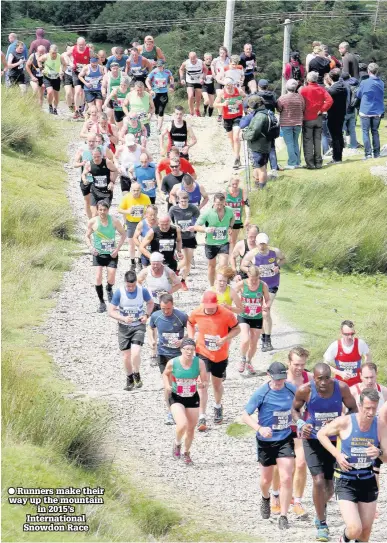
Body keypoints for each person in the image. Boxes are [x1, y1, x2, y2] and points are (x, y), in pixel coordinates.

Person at [292, 362, 358, 542]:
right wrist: (301, 424)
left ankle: (320, 506)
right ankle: (321, 523)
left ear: (331, 377)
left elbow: (354, 409)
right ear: (313, 377)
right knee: (318, 481)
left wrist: (344, 422)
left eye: (326, 378)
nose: (323, 382)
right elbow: (295, 409)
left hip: (335, 442)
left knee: (329, 487)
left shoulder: (342, 388)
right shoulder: (305, 390)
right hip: (312, 439)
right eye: (319, 378)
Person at [317, 388, 385, 543]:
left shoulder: (380, 425)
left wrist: (379, 452)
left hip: (367, 479)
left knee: (365, 532)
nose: (370, 412)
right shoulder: (345, 422)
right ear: (360, 406)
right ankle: (343, 540)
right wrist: (337, 454)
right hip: (345, 479)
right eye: (367, 408)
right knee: (355, 529)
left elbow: (386, 455)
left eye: (374, 408)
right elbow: (322, 434)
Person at [242, 361, 297, 530]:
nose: (280, 382)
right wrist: (259, 428)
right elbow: (245, 415)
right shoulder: (262, 393)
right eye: (277, 379)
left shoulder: (291, 389)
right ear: (269, 376)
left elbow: (299, 407)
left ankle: (284, 515)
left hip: (285, 438)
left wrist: (298, 419)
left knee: (286, 477)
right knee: (266, 480)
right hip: (266, 441)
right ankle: (265, 498)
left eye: (282, 378)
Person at [188, 291, 240, 430]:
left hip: (220, 355)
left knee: (216, 384)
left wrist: (224, 339)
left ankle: (217, 406)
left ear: (217, 303)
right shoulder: (197, 312)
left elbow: (237, 329)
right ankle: (202, 416)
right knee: (202, 384)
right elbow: (190, 322)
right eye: (207, 306)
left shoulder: (226, 314)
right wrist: (191, 337)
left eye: (212, 306)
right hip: (202, 352)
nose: (209, 309)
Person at [271, 347, 313, 518]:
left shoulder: (308, 378)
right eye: (296, 364)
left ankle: (297, 501)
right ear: (289, 363)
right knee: (278, 466)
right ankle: (275, 495)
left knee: (301, 463)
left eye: (302, 364)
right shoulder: (281, 379)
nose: (299, 368)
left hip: (301, 427)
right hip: (282, 427)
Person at [163, 338, 208, 464]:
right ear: (181, 349)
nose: (189, 352)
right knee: (182, 424)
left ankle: (186, 453)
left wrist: (202, 384)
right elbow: (165, 374)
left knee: (191, 428)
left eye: (192, 350)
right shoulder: (173, 362)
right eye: (187, 349)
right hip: (177, 396)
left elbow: (204, 380)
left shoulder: (199, 363)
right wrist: (167, 385)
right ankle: (177, 443)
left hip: (192, 397)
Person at [109, 270, 154, 390]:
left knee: (136, 352)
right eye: (129, 286)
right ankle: (129, 378)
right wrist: (122, 318)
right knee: (126, 356)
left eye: (133, 285)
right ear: (125, 283)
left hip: (138, 325)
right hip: (124, 327)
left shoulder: (142, 290)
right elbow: (111, 311)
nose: (131, 288)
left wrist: (146, 315)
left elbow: (150, 303)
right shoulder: (119, 292)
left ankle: (137, 373)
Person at [240, 232, 285, 352]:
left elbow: (283, 259)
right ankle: (263, 338)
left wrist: (278, 267)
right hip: (258, 286)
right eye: (260, 244)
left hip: (272, 284)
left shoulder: (275, 252)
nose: (262, 246)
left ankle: (267, 340)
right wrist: (252, 270)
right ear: (256, 243)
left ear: (267, 243)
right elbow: (242, 266)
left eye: (264, 244)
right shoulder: (252, 254)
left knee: (266, 311)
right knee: (260, 312)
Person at [150, 294, 189, 425]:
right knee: (168, 386)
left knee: (179, 384)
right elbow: (151, 328)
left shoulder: (181, 316)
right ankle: (170, 412)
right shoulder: (156, 316)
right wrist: (152, 340)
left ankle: (182, 408)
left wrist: (182, 340)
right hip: (163, 354)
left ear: (173, 305)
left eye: (168, 308)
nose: (166, 311)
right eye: (163, 308)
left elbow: (191, 330)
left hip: (178, 355)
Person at [137, 252, 182, 365]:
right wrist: (144, 292)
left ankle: (167, 350)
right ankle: (153, 352)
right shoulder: (146, 271)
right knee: (151, 326)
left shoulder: (168, 271)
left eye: (157, 264)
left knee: (166, 325)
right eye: (153, 264)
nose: (155, 266)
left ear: (161, 263)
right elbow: (138, 281)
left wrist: (168, 292)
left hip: (165, 302)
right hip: (152, 302)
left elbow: (179, 284)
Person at [85, 200, 126, 312]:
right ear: (97, 210)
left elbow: (123, 234)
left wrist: (117, 249)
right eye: (100, 210)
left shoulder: (114, 221)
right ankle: (102, 302)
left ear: (108, 210)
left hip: (111, 253)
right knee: (98, 277)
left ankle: (109, 288)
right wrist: (91, 248)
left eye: (105, 210)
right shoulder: (93, 222)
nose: (102, 212)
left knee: (111, 276)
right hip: (98, 253)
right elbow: (87, 236)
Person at [190, 193, 235, 286]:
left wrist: (230, 226)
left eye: (221, 204)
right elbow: (196, 226)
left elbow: (233, 218)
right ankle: (212, 286)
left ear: (224, 203)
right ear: (214, 202)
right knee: (211, 266)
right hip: (211, 243)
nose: (219, 206)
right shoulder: (207, 212)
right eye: (217, 204)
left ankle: (221, 284)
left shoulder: (229, 210)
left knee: (223, 265)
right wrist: (206, 229)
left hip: (223, 242)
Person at [234, 266, 270, 375]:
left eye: (256, 279)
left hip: (257, 317)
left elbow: (267, 300)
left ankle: (249, 362)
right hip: (243, 315)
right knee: (245, 339)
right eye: (252, 278)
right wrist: (238, 305)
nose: (254, 281)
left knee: (254, 343)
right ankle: (242, 359)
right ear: (248, 275)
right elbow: (232, 295)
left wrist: (266, 306)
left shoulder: (263, 285)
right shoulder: (242, 284)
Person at [299, 71, 333, 169]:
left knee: (308, 141)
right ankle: (318, 163)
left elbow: (300, 103)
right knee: (317, 141)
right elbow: (330, 100)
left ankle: (310, 164)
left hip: (307, 118)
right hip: (318, 117)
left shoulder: (303, 90)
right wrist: (322, 109)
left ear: (308, 79)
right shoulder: (321, 89)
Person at [324, 319, 371, 387]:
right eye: (347, 334)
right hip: (340, 385)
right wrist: (340, 373)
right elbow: (325, 364)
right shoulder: (335, 346)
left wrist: (365, 369)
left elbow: (368, 355)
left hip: (358, 384)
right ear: (341, 333)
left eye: (352, 334)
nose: (350, 337)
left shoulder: (360, 344)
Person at [169, 191, 200, 290]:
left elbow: (198, 217)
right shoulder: (174, 209)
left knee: (188, 262)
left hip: (190, 237)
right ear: (178, 200)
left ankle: (180, 276)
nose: (183, 203)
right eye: (182, 201)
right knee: (184, 260)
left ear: (188, 200)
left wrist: (194, 225)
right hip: (180, 238)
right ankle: (177, 275)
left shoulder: (193, 208)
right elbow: (169, 221)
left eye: (185, 201)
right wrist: (175, 226)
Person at [118, 182, 151, 271]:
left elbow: (150, 208)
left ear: (141, 190)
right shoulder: (126, 197)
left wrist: (146, 215)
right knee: (131, 243)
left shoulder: (145, 197)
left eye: (137, 190)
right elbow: (119, 209)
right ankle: (132, 262)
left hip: (142, 222)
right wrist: (128, 211)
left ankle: (140, 261)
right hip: (131, 222)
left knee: (142, 243)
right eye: (134, 190)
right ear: (130, 190)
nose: (136, 192)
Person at [214, 78, 245, 169]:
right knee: (231, 139)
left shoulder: (238, 90)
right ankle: (237, 156)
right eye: (228, 86)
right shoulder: (222, 93)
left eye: (231, 85)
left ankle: (236, 159)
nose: (230, 87)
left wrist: (241, 101)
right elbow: (215, 104)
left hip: (237, 116)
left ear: (233, 85)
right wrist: (223, 105)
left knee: (236, 137)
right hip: (227, 118)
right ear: (224, 86)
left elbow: (245, 96)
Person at [241, 95, 271, 188]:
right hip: (265, 145)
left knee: (261, 169)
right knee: (260, 167)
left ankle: (261, 189)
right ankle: (258, 186)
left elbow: (254, 132)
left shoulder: (259, 116)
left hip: (258, 146)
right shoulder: (267, 112)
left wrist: (243, 135)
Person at [356, 63, 385, 160]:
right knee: (375, 131)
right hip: (377, 110)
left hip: (365, 110)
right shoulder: (381, 83)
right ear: (377, 71)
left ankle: (368, 154)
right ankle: (376, 154)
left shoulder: (364, 82)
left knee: (365, 132)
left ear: (368, 71)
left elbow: (358, 94)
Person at [276, 79, 305, 169]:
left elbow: (279, 109)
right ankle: (297, 161)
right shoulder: (300, 97)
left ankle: (292, 162)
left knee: (289, 143)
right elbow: (303, 108)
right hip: (298, 123)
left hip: (286, 123)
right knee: (295, 142)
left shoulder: (282, 98)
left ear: (286, 87)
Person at [82, 147, 117, 215]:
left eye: (98, 156)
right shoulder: (89, 164)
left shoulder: (107, 162)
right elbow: (83, 174)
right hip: (95, 191)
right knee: (94, 214)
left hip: (106, 192)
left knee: (103, 214)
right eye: (95, 157)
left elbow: (115, 171)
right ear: (92, 156)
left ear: (101, 155)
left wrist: (112, 182)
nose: (96, 159)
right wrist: (84, 180)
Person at [74, 133, 101, 218]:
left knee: (97, 200)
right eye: (89, 141)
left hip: (97, 179)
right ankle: (90, 221)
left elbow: (107, 160)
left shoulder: (99, 149)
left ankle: (97, 218)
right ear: (86, 141)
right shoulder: (82, 149)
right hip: (86, 178)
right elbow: (75, 164)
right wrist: (82, 163)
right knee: (87, 200)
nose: (91, 143)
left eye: (93, 141)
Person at [325, 68, 348, 164]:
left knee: (335, 137)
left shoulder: (331, 90)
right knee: (339, 135)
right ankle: (339, 155)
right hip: (341, 113)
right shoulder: (343, 87)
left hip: (333, 114)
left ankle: (336, 157)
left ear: (330, 78)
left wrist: (327, 86)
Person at [223, 175, 250, 254]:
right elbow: (220, 205)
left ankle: (231, 258)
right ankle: (224, 256)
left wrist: (247, 218)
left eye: (236, 184)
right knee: (225, 239)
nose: (235, 186)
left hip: (237, 219)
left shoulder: (242, 192)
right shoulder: (225, 192)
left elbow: (247, 205)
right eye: (233, 184)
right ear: (230, 184)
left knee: (233, 240)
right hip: (226, 218)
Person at [146, 59, 174, 131]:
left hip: (164, 93)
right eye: (158, 66)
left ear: (163, 65)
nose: (159, 68)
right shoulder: (154, 72)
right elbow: (147, 80)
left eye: (161, 66)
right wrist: (150, 89)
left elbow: (171, 78)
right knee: (155, 110)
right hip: (155, 93)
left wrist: (171, 86)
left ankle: (159, 128)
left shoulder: (167, 72)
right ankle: (156, 121)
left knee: (161, 110)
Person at [39, 44, 66, 114]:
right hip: (47, 77)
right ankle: (50, 105)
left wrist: (62, 71)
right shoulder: (46, 56)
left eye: (55, 53)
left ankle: (55, 108)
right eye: (52, 53)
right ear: (49, 52)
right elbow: (39, 60)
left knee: (56, 95)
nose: (53, 55)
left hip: (56, 77)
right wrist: (41, 69)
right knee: (50, 91)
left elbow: (65, 64)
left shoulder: (60, 57)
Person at [179, 52, 207, 116]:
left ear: (196, 57)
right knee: (190, 96)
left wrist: (203, 77)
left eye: (194, 58)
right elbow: (181, 69)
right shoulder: (186, 63)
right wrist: (182, 78)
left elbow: (205, 69)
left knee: (198, 96)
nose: (193, 59)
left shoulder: (200, 62)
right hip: (190, 80)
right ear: (189, 57)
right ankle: (191, 112)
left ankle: (197, 109)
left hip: (198, 80)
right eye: (191, 58)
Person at [133, 204, 158, 269]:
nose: (153, 217)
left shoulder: (159, 223)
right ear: (146, 214)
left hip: (157, 252)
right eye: (151, 215)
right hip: (146, 252)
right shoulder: (142, 224)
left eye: (154, 215)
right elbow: (135, 237)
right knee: (146, 272)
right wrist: (141, 246)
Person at [72, 37, 91, 119]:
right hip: (76, 72)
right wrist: (70, 62)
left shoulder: (89, 50)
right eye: (80, 45)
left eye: (83, 45)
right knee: (78, 90)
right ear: (77, 43)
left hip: (85, 73)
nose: (81, 46)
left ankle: (81, 109)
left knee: (82, 93)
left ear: (85, 44)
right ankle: (76, 110)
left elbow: (96, 58)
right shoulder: (73, 49)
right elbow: (64, 55)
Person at [341, 71, 360, 149]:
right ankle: (353, 146)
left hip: (344, 110)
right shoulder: (355, 83)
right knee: (352, 130)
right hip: (353, 110)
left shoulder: (343, 85)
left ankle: (342, 146)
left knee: (341, 130)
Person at [211, 46, 230, 122]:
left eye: (223, 53)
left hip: (227, 81)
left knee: (226, 97)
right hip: (218, 81)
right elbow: (212, 65)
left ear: (226, 53)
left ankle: (227, 113)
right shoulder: (216, 60)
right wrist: (213, 73)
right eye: (220, 53)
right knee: (219, 96)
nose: (221, 54)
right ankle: (220, 115)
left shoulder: (229, 60)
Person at [61, 43, 75, 112]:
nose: (70, 51)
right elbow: (61, 64)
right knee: (68, 92)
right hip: (67, 75)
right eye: (69, 49)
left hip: (75, 75)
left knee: (74, 94)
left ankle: (74, 105)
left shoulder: (76, 55)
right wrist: (60, 72)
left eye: (71, 49)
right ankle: (70, 107)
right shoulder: (63, 55)